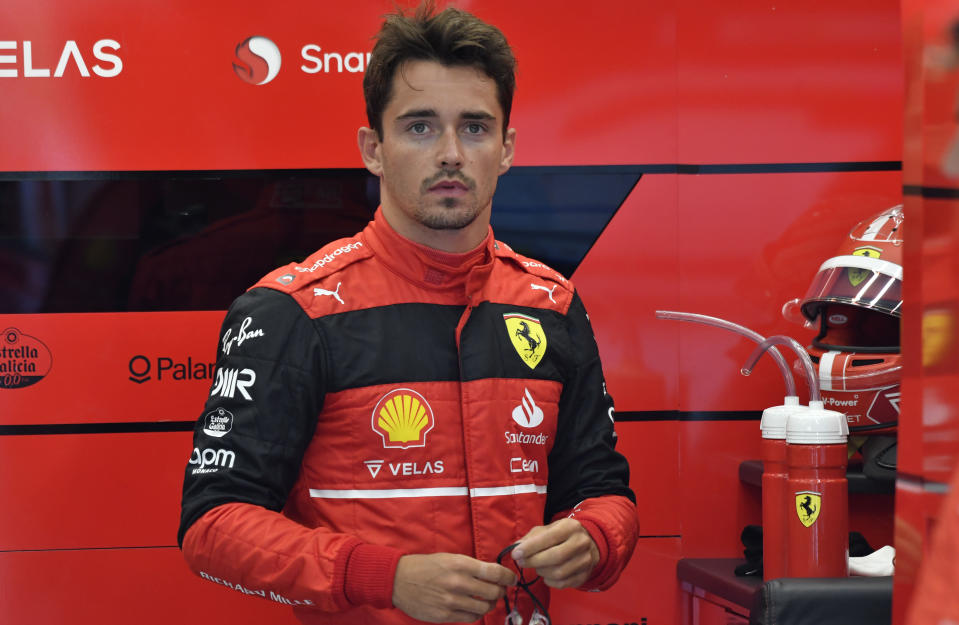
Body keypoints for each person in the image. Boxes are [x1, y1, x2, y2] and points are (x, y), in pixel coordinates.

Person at [177, 3, 638, 623]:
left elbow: (603, 491)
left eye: (474, 128)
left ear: (506, 149)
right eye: (420, 127)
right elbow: (213, 525)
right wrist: (382, 578)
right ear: (374, 148)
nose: (450, 152)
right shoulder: (293, 311)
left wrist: (598, 538)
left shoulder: (550, 304)